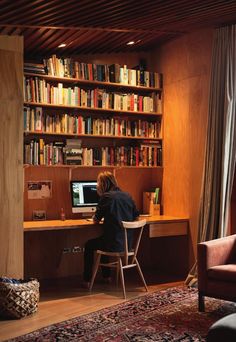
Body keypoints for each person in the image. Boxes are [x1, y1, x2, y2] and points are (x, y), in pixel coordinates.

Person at [82, 171, 139, 288]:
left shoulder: (106, 197)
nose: (97, 186)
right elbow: (136, 217)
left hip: (113, 244)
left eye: (98, 183)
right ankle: (106, 277)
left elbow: (95, 220)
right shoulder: (127, 196)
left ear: (103, 184)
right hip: (127, 245)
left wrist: (98, 217)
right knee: (105, 238)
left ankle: (87, 280)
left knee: (89, 245)